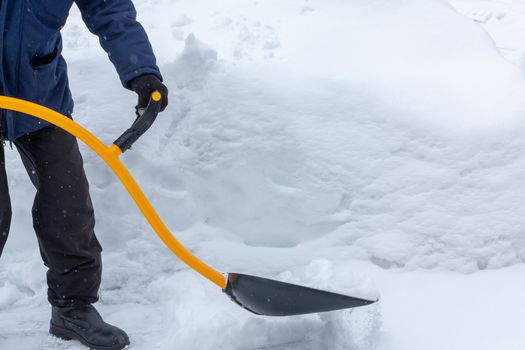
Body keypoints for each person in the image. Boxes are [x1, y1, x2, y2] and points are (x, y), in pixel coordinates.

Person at [0, 1, 168, 349]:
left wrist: (142, 73)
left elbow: (109, 8)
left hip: (39, 92)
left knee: (68, 203)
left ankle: (72, 307)